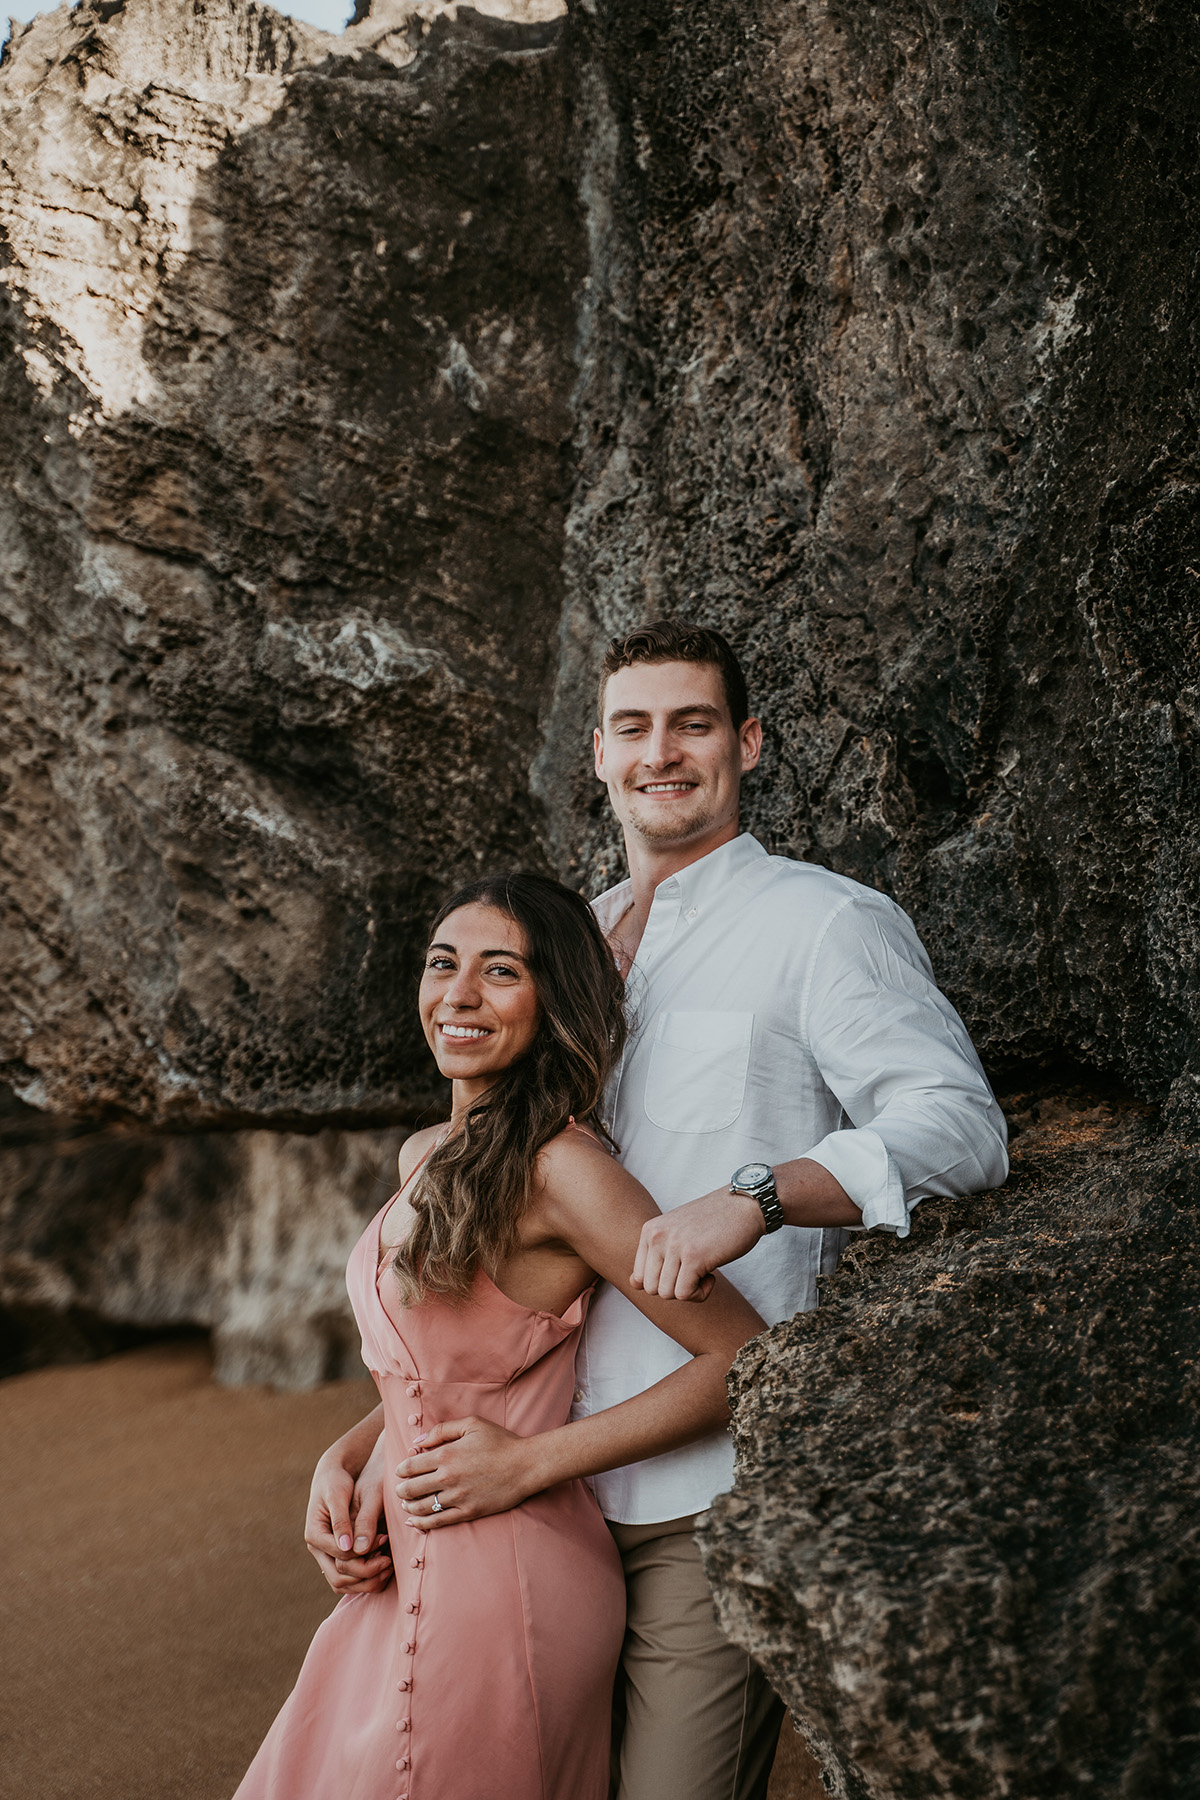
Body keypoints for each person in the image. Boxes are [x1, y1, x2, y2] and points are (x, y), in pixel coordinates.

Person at [307, 621, 1009, 1800]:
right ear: (596, 754)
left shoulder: (821, 924)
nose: (661, 752)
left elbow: (960, 1123)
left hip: (703, 1487)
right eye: (633, 726)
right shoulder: (553, 943)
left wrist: (761, 1197)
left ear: (749, 743)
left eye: (693, 723)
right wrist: (371, 1445)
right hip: (522, 1514)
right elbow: (499, 1257)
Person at [235, 871, 764, 1800]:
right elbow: (439, 1371)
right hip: (408, 1554)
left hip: (504, 1573)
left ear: (553, 1000)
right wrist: (348, 1455)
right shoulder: (423, 1157)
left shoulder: (565, 1171)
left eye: (501, 972)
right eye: (444, 965)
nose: (460, 995)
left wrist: (530, 1462)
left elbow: (744, 1359)